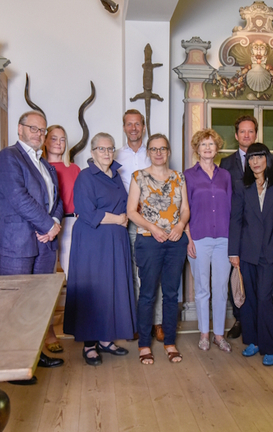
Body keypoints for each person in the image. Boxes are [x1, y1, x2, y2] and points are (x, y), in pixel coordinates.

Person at [0, 110, 64, 377]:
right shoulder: (8, 157)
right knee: (13, 306)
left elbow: (56, 200)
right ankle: (11, 366)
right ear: (19, 129)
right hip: (17, 244)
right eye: (33, 128)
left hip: (44, 245)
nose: (39, 134)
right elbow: (18, 197)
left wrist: (55, 223)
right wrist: (48, 225)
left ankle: (33, 356)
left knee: (36, 306)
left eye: (42, 131)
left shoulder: (45, 164)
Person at [63, 133, 135, 366]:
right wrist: (118, 219)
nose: (106, 153)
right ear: (92, 152)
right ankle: (89, 344)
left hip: (115, 240)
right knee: (93, 289)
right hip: (93, 241)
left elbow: (126, 204)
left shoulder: (115, 176)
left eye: (110, 149)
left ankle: (105, 338)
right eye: (101, 149)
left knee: (111, 287)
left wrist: (126, 218)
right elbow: (86, 211)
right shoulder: (85, 177)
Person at [127, 134, 190, 365]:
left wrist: (181, 226)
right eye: (153, 149)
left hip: (175, 242)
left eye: (162, 148)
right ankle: (144, 345)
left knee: (171, 295)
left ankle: (170, 343)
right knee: (147, 295)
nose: (158, 152)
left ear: (169, 152)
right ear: (148, 152)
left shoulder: (179, 177)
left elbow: (185, 209)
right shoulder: (139, 177)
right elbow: (131, 211)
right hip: (149, 241)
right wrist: (152, 227)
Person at [228, 143, 273, 367]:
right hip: (246, 251)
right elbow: (235, 220)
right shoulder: (241, 186)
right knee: (250, 299)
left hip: (270, 251)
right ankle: (253, 340)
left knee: (264, 297)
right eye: (251, 158)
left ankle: (271, 346)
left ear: (268, 159)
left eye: (259, 156)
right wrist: (233, 252)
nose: (255, 161)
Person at [219, 115, 273, 339]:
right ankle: (241, 319)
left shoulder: (266, 159)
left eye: (250, 131)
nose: (246, 135)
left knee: (258, 286)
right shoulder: (226, 163)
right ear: (236, 135)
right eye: (242, 132)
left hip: (262, 234)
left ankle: (257, 325)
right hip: (237, 230)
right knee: (238, 278)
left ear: (256, 134)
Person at [114, 109, 163, 341]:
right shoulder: (115, 156)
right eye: (129, 124)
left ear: (143, 127)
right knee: (133, 274)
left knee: (155, 272)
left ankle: (158, 322)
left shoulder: (154, 152)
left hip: (154, 222)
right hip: (129, 222)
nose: (133, 128)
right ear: (124, 127)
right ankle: (136, 321)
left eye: (137, 124)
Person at [184, 129, 232, 353]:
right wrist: (188, 238)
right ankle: (204, 333)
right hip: (199, 238)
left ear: (217, 148)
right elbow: (183, 210)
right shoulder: (188, 175)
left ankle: (219, 335)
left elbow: (231, 208)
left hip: (224, 238)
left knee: (221, 288)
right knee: (203, 289)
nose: (207, 148)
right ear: (197, 148)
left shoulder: (225, 176)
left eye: (211, 144)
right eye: (203, 144)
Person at [43, 124, 81, 353]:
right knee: (47, 280)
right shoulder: (38, 167)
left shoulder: (74, 169)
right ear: (45, 141)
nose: (59, 142)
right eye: (54, 138)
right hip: (46, 226)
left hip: (71, 224)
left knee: (75, 277)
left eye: (63, 139)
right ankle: (48, 332)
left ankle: (78, 324)